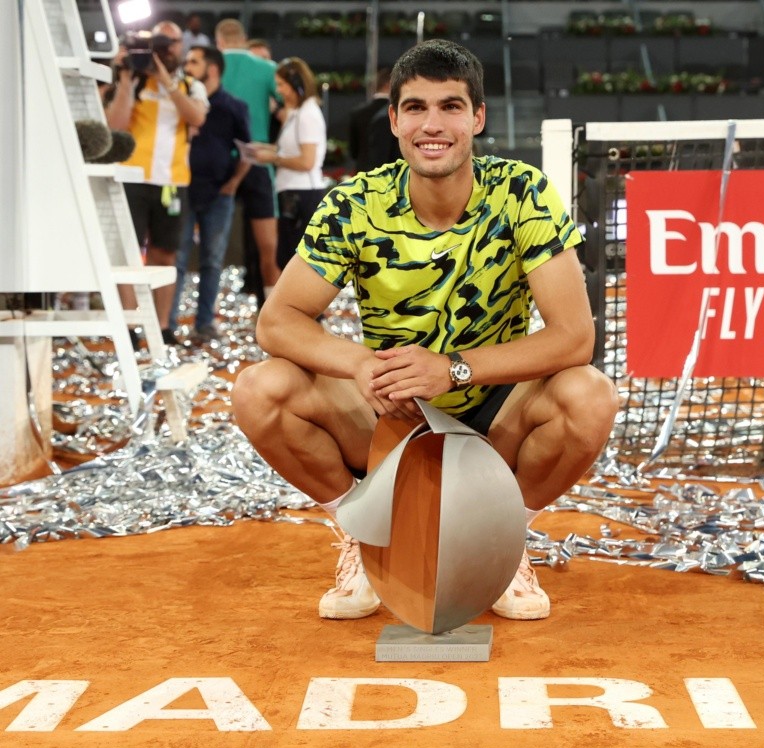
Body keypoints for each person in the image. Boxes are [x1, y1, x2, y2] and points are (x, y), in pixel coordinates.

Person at [232, 39, 618, 622]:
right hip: (392, 418)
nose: (431, 125)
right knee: (259, 390)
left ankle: (505, 540)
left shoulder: (521, 192)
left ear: (478, 117)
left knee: (591, 396)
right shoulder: (355, 204)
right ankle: (363, 536)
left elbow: (573, 338)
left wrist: (454, 368)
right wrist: (361, 365)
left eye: (450, 106)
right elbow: (276, 320)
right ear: (393, 119)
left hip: (496, 417)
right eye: (414, 108)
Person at [105, 20, 208, 346]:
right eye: (159, 43)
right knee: (129, 255)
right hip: (132, 178)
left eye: (171, 43)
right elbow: (115, 126)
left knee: (166, 255)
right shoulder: (135, 80)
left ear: (181, 46)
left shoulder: (191, 85)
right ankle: (131, 326)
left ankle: (163, 326)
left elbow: (197, 118)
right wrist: (125, 80)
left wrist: (167, 79)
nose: (165, 50)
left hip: (172, 181)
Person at [168, 46, 251, 342]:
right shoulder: (182, 100)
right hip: (182, 189)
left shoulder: (233, 106)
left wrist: (233, 184)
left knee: (212, 261)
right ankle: (168, 325)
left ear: (212, 69)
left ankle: (204, 323)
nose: (187, 66)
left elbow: (247, 150)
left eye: (194, 62)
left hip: (218, 193)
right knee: (176, 259)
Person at [215, 18, 282, 308]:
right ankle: (275, 311)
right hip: (257, 161)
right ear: (243, 39)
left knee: (208, 248)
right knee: (269, 250)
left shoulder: (209, 65)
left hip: (216, 161)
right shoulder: (267, 68)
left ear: (219, 41)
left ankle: (204, 318)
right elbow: (291, 102)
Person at [249, 57, 328, 271]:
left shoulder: (308, 115)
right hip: (292, 193)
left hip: (303, 195)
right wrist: (264, 149)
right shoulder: (297, 113)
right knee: (286, 259)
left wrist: (272, 157)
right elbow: (290, 150)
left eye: (282, 85)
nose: (279, 90)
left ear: (296, 84)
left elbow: (307, 161)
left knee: (298, 264)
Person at [348, 67, 398, 173]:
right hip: (390, 176)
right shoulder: (397, 113)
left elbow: (353, 152)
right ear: (389, 85)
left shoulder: (357, 113)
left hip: (363, 175)